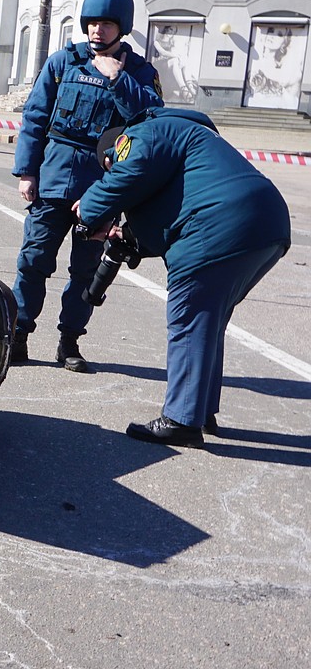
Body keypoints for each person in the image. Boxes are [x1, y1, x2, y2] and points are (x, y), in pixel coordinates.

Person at [75, 108, 290, 446]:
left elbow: (130, 171)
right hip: (268, 225)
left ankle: (180, 420)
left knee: (189, 315)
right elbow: (166, 217)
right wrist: (127, 237)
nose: (112, 170)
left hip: (222, 222)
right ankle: (200, 410)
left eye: (109, 165)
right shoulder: (188, 138)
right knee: (207, 319)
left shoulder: (141, 135)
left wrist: (87, 213)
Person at [10, 0, 163, 372]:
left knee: (87, 272)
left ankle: (69, 343)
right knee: (33, 261)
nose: (98, 31)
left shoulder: (141, 73)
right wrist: (27, 171)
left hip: (103, 189)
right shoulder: (64, 62)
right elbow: (35, 118)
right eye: (93, 23)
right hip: (53, 179)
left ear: (122, 28)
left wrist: (118, 79)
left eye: (107, 24)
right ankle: (19, 333)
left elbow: (150, 122)